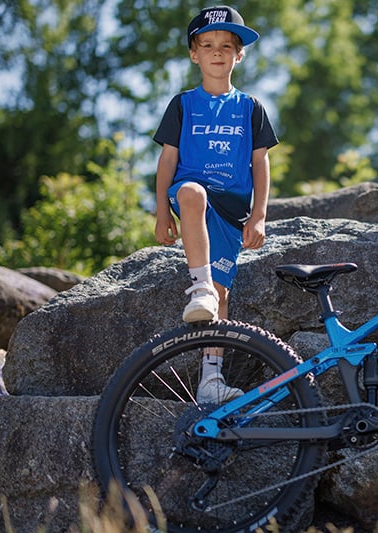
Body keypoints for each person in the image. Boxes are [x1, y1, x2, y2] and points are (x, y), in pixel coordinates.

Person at [153, 5, 278, 403]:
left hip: (231, 211)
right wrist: (160, 211)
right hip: (192, 194)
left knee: (222, 299)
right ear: (195, 54)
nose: (217, 52)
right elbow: (168, 160)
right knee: (192, 193)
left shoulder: (250, 107)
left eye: (227, 45)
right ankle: (199, 285)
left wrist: (259, 215)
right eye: (207, 45)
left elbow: (261, 162)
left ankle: (210, 380)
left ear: (239, 55)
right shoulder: (183, 104)